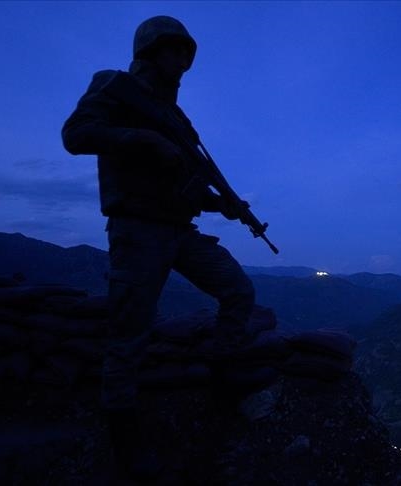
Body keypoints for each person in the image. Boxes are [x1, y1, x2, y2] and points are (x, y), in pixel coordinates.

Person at [61, 15, 256, 480]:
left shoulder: (176, 118)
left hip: (178, 230)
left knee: (238, 290)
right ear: (151, 51)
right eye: (175, 50)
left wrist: (224, 205)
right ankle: (123, 435)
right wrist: (141, 138)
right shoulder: (115, 86)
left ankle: (220, 380)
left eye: (187, 52)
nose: (183, 60)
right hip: (137, 229)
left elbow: (186, 184)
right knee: (129, 331)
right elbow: (75, 135)